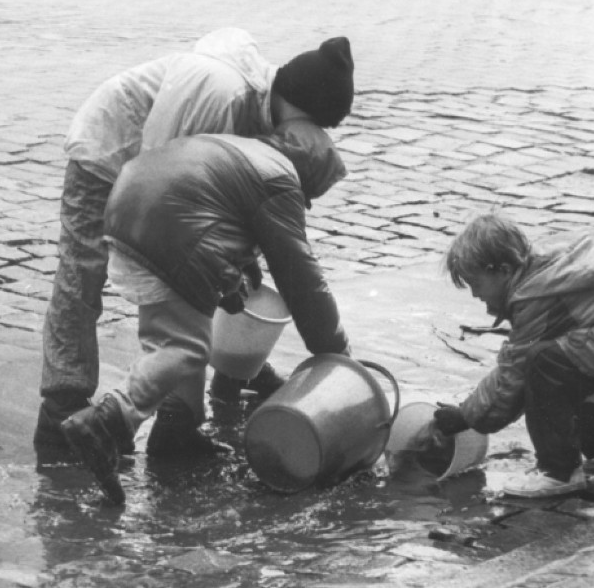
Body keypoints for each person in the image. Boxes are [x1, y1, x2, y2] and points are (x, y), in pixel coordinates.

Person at [36, 28, 355, 454]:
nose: (311, 137)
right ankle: (62, 410)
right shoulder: (218, 92)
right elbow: (158, 182)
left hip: (156, 187)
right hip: (112, 154)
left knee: (206, 287)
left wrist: (230, 261)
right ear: (301, 110)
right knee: (83, 278)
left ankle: (187, 410)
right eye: (315, 126)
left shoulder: (263, 114)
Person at [61, 119, 352, 504]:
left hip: (127, 214)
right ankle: (108, 419)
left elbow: (214, 208)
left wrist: (231, 275)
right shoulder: (281, 180)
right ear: (308, 175)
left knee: (175, 330)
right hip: (169, 232)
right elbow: (301, 280)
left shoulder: (244, 148)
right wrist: (335, 351)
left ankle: (177, 431)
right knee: (187, 348)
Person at [429, 212, 594, 498]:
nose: (475, 294)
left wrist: (465, 416)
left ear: (502, 271)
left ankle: (559, 472)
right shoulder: (543, 276)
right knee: (560, 370)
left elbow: (513, 376)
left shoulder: (537, 297)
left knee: (542, 363)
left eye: (476, 283)